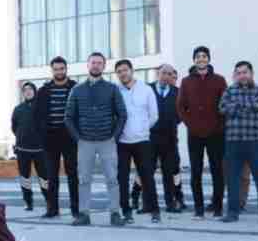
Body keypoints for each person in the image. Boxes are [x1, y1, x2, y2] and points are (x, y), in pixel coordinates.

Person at [64, 52, 127, 227]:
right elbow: (68, 117)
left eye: (99, 63)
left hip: (107, 141)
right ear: (88, 65)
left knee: (112, 179)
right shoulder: (77, 90)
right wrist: (78, 139)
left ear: (104, 66)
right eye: (93, 62)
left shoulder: (112, 89)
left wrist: (114, 137)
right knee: (84, 180)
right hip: (85, 142)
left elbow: (122, 115)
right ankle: (84, 214)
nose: (96, 65)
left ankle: (115, 213)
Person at [219, 61, 258, 223]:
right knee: (232, 179)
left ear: (251, 73)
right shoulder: (228, 91)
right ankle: (233, 212)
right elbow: (222, 108)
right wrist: (246, 107)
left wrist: (235, 107)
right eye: (239, 73)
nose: (242, 75)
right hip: (233, 142)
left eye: (245, 72)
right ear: (235, 75)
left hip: (254, 142)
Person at [177, 46, 227, 218]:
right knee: (196, 171)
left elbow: (225, 104)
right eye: (198, 56)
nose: (201, 59)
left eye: (204, 56)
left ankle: (217, 206)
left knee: (217, 171)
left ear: (209, 59)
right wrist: (190, 123)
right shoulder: (186, 81)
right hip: (195, 133)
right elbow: (181, 106)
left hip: (216, 133)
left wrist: (220, 124)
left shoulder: (219, 80)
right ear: (194, 60)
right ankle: (198, 209)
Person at [114, 59, 159, 224]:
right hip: (122, 142)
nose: (122, 73)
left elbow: (154, 115)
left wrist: (143, 129)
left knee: (147, 177)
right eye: (119, 71)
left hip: (142, 141)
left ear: (132, 71)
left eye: (125, 70)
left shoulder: (146, 89)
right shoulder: (115, 90)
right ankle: (126, 211)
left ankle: (155, 210)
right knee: (122, 178)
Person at [33, 56, 79, 218]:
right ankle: (52, 209)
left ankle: (76, 209)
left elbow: (80, 112)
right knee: (52, 175)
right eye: (56, 69)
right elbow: (37, 116)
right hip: (50, 138)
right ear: (52, 70)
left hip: (70, 137)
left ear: (66, 69)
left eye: (62, 69)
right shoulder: (44, 90)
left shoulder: (75, 87)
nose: (59, 72)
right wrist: (42, 136)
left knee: (72, 174)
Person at [147, 64, 181, 213]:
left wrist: (173, 121)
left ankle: (170, 203)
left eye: (169, 74)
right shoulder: (147, 89)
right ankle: (147, 204)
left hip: (169, 138)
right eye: (163, 73)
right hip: (149, 138)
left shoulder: (177, 92)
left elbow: (182, 112)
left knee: (169, 173)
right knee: (147, 172)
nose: (166, 76)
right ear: (157, 73)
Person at [11, 82, 48, 211]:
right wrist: (22, 137)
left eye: (30, 89)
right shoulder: (18, 109)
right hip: (22, 150)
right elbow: (14, 127)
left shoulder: (42, 107)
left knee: (44, 177)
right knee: (24, 178)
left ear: (34, 91)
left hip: (40, 150)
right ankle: (28, 202)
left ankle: (49, 201)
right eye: (25, 90)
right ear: (23, 93)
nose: (27, 92)